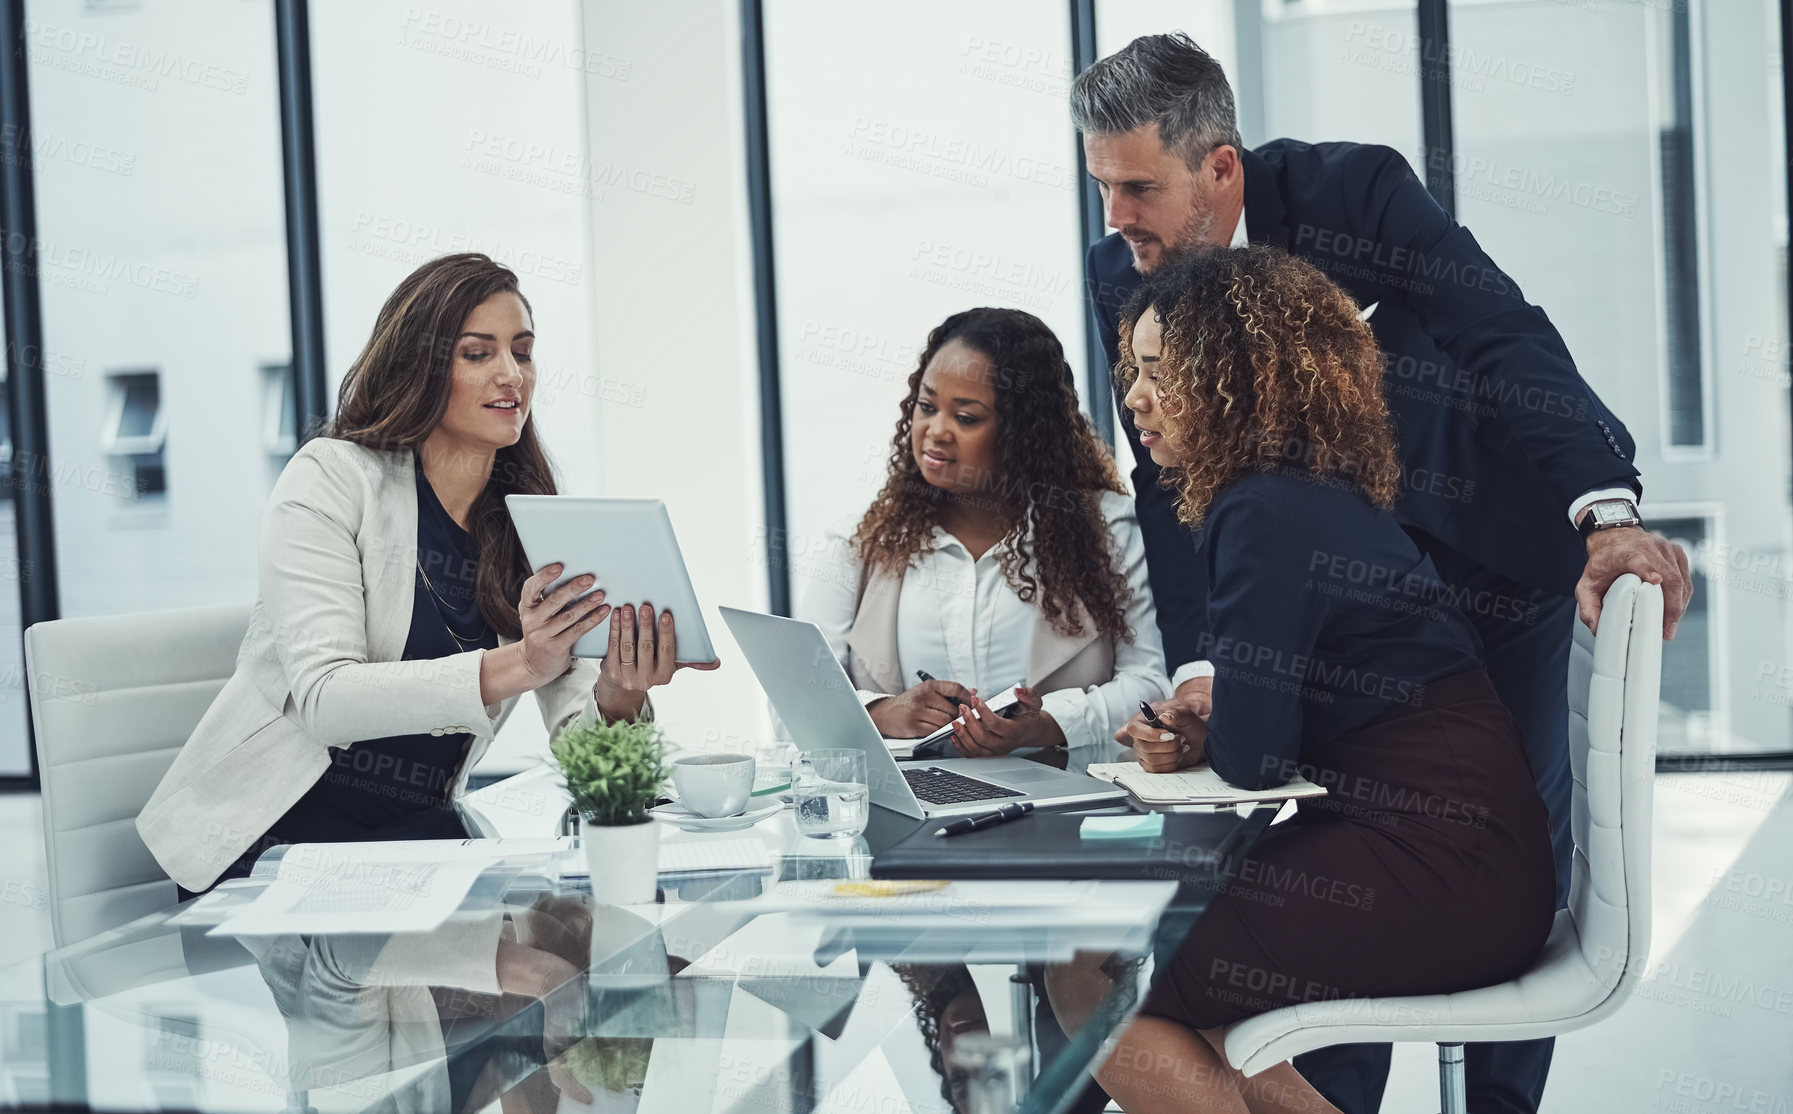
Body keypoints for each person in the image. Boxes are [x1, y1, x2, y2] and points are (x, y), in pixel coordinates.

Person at [1071, 32, 1691, 1113]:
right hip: (1299, 576)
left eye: (1137, 187)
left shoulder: (1350, 192)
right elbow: (1170, 482)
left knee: (1492, 835)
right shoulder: (1127, 269)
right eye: (1100, 186)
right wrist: (1210, 664)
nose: (1116, 217)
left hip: (1481, 556)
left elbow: (1498, 331)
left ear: (1219, 168)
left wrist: (1604, 512)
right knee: (1321, 845)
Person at [1085, 245, 1555, 1114]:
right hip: (1473, 860)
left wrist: (1212, 731)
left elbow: (1257, 764)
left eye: (1161, 373)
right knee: (1145, 966)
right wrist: (1210, 725)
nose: (1135, 398)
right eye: (1132, 371)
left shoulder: (1257, 509)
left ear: (1236, 378)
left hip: (1437, 867)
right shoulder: (1304, 491)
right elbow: (1290, 722)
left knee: (1108, 978)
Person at [138, 253, 717, 898]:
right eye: (478, 353)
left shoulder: (529, 523)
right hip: (274, 859)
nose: (511, 375)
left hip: (422, 852)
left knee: (590, 955)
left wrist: (618, 689)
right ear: (419, 363)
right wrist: (526, 664)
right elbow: (328, 700)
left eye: (522, 353)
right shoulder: (330, 479)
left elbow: (585, 755)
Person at [797, 307, 1169, 756]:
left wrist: (1047, 724)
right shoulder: (863, 541)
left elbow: (1152, 684)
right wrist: (882, 712)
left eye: (966, 418)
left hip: (1075, 806)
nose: (935, 431)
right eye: (927, 406)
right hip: (915, 806)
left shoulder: (1109, 528)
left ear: (1024, 431)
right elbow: (795, 701)